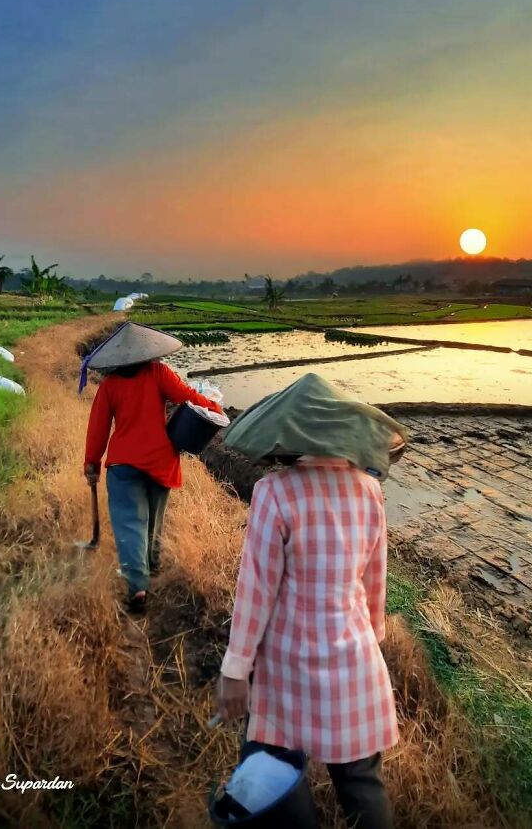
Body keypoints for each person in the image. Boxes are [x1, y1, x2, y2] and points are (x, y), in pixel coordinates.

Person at [215, 373, 407, 829]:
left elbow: (255, 589)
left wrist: (235, 667)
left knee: (268, 768)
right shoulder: (369, 491)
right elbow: (374, 580)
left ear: (286, 436)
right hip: (354, 657)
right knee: (361, 781)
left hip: (287, 667)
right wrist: (372, 640)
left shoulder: (274, 492)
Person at [82, 323, 223, 613]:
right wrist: (214, 407)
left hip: (124, 465)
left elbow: (97, 429)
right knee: (154, 520)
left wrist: (91, 463)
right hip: (160, 461)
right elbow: (187, 397)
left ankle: (137, 585)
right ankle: (152, 565)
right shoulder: (158, 373)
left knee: (130, 523)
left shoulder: (110, 385)